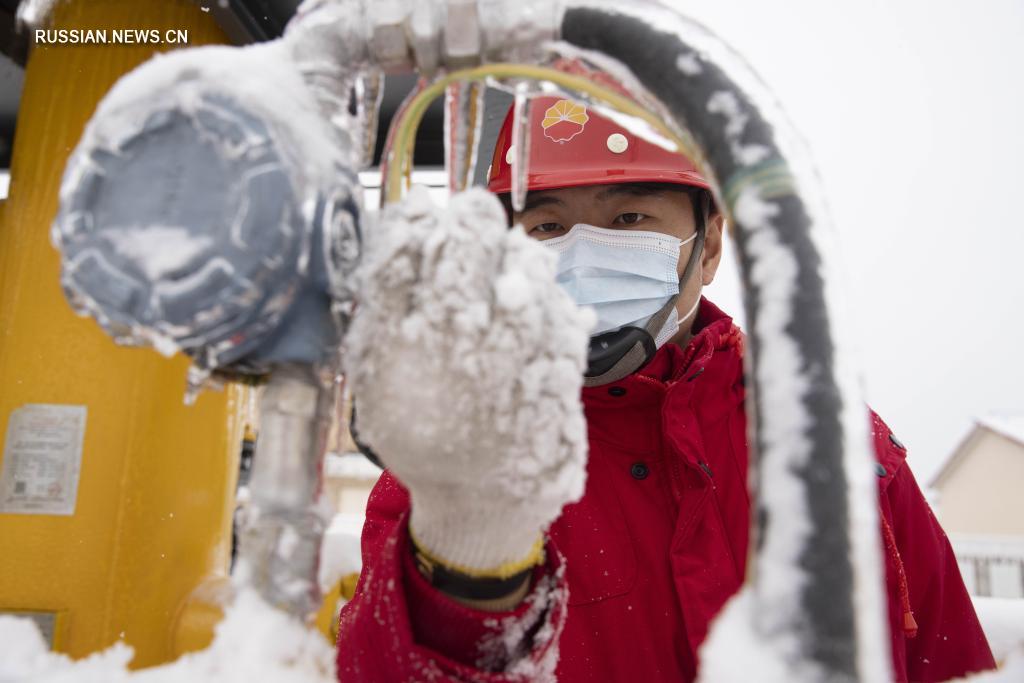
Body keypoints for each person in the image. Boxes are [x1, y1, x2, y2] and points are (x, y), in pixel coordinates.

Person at [335, 92, 996, 682]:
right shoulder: (463, 445)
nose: (583, 252)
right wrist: (465, 552)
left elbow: (950, 658)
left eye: (628, 218)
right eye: (547, 227)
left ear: (708, 247)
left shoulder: (838, 446)